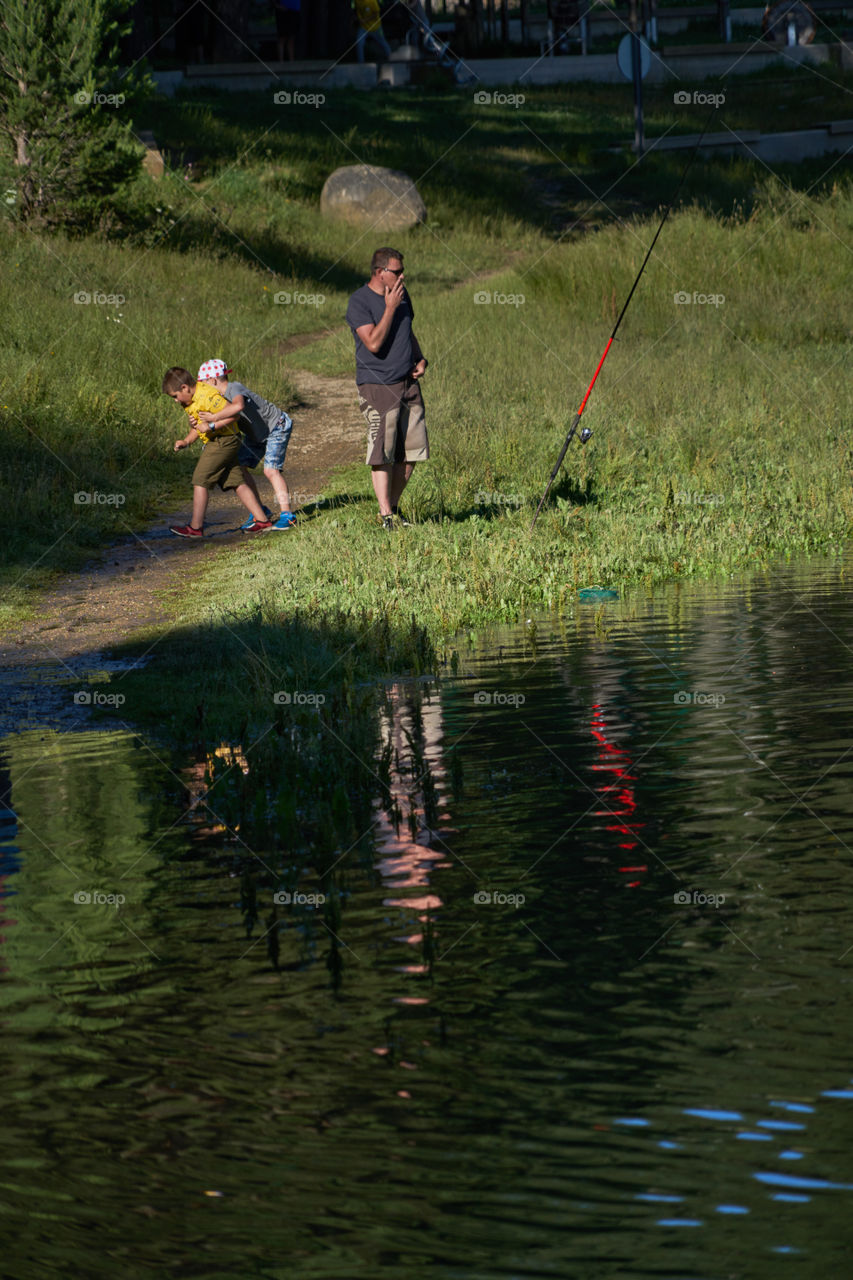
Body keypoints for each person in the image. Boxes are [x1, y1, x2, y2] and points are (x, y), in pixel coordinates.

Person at [345, 247, 429, 530]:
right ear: (380, 273)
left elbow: (408, 330)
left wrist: (419, 356)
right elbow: (372, 343)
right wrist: (390, 307)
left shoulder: (403, 297)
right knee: (383, 452)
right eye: (397, 271)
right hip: (378, 385)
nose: (402, 276)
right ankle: (385, 516)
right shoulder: (360, 301)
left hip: (408, 383)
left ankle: (392, 509)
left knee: (412, 452)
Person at [163, 367, 272, 537]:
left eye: (175, 396)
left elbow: (234, 415)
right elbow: (200, 427)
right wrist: (186, 441)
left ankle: (195, 527)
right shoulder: (189, 401)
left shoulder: (207, 396)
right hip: (219, 439)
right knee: (235, 481)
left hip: (224, 440)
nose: (176, 401)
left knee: (200, 478)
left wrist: (212, 424)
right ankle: (262, 520)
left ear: (184, 388)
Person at [196, 358, 297, 532]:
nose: (203, 388)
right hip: (255, 435)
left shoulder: (234, 388)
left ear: (213, 380)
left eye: (204, 383)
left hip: (276, 426)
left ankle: (287, 516)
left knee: (271, 470)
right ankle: (259, 510)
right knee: (241, 466)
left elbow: (238, 405)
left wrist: (213, 419)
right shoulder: (217, 399)